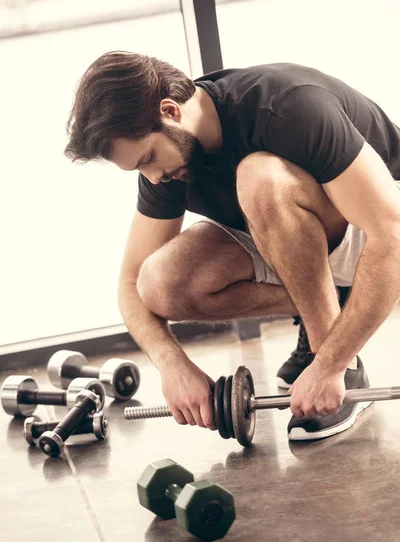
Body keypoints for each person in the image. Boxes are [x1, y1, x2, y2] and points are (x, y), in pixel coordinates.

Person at [64, 51, 400, 440]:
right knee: (159, 282)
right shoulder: (169, 172)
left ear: (170, 111)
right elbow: (130, 283)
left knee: (259, 179)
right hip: (327, 245)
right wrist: (171, 364)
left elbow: (390, 232)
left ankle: (339, 361)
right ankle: (328, 310)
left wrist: (329, 366)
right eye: (140, 169)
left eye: (149, 159)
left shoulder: (285, 106)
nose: (153, 178)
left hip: (383, 229)